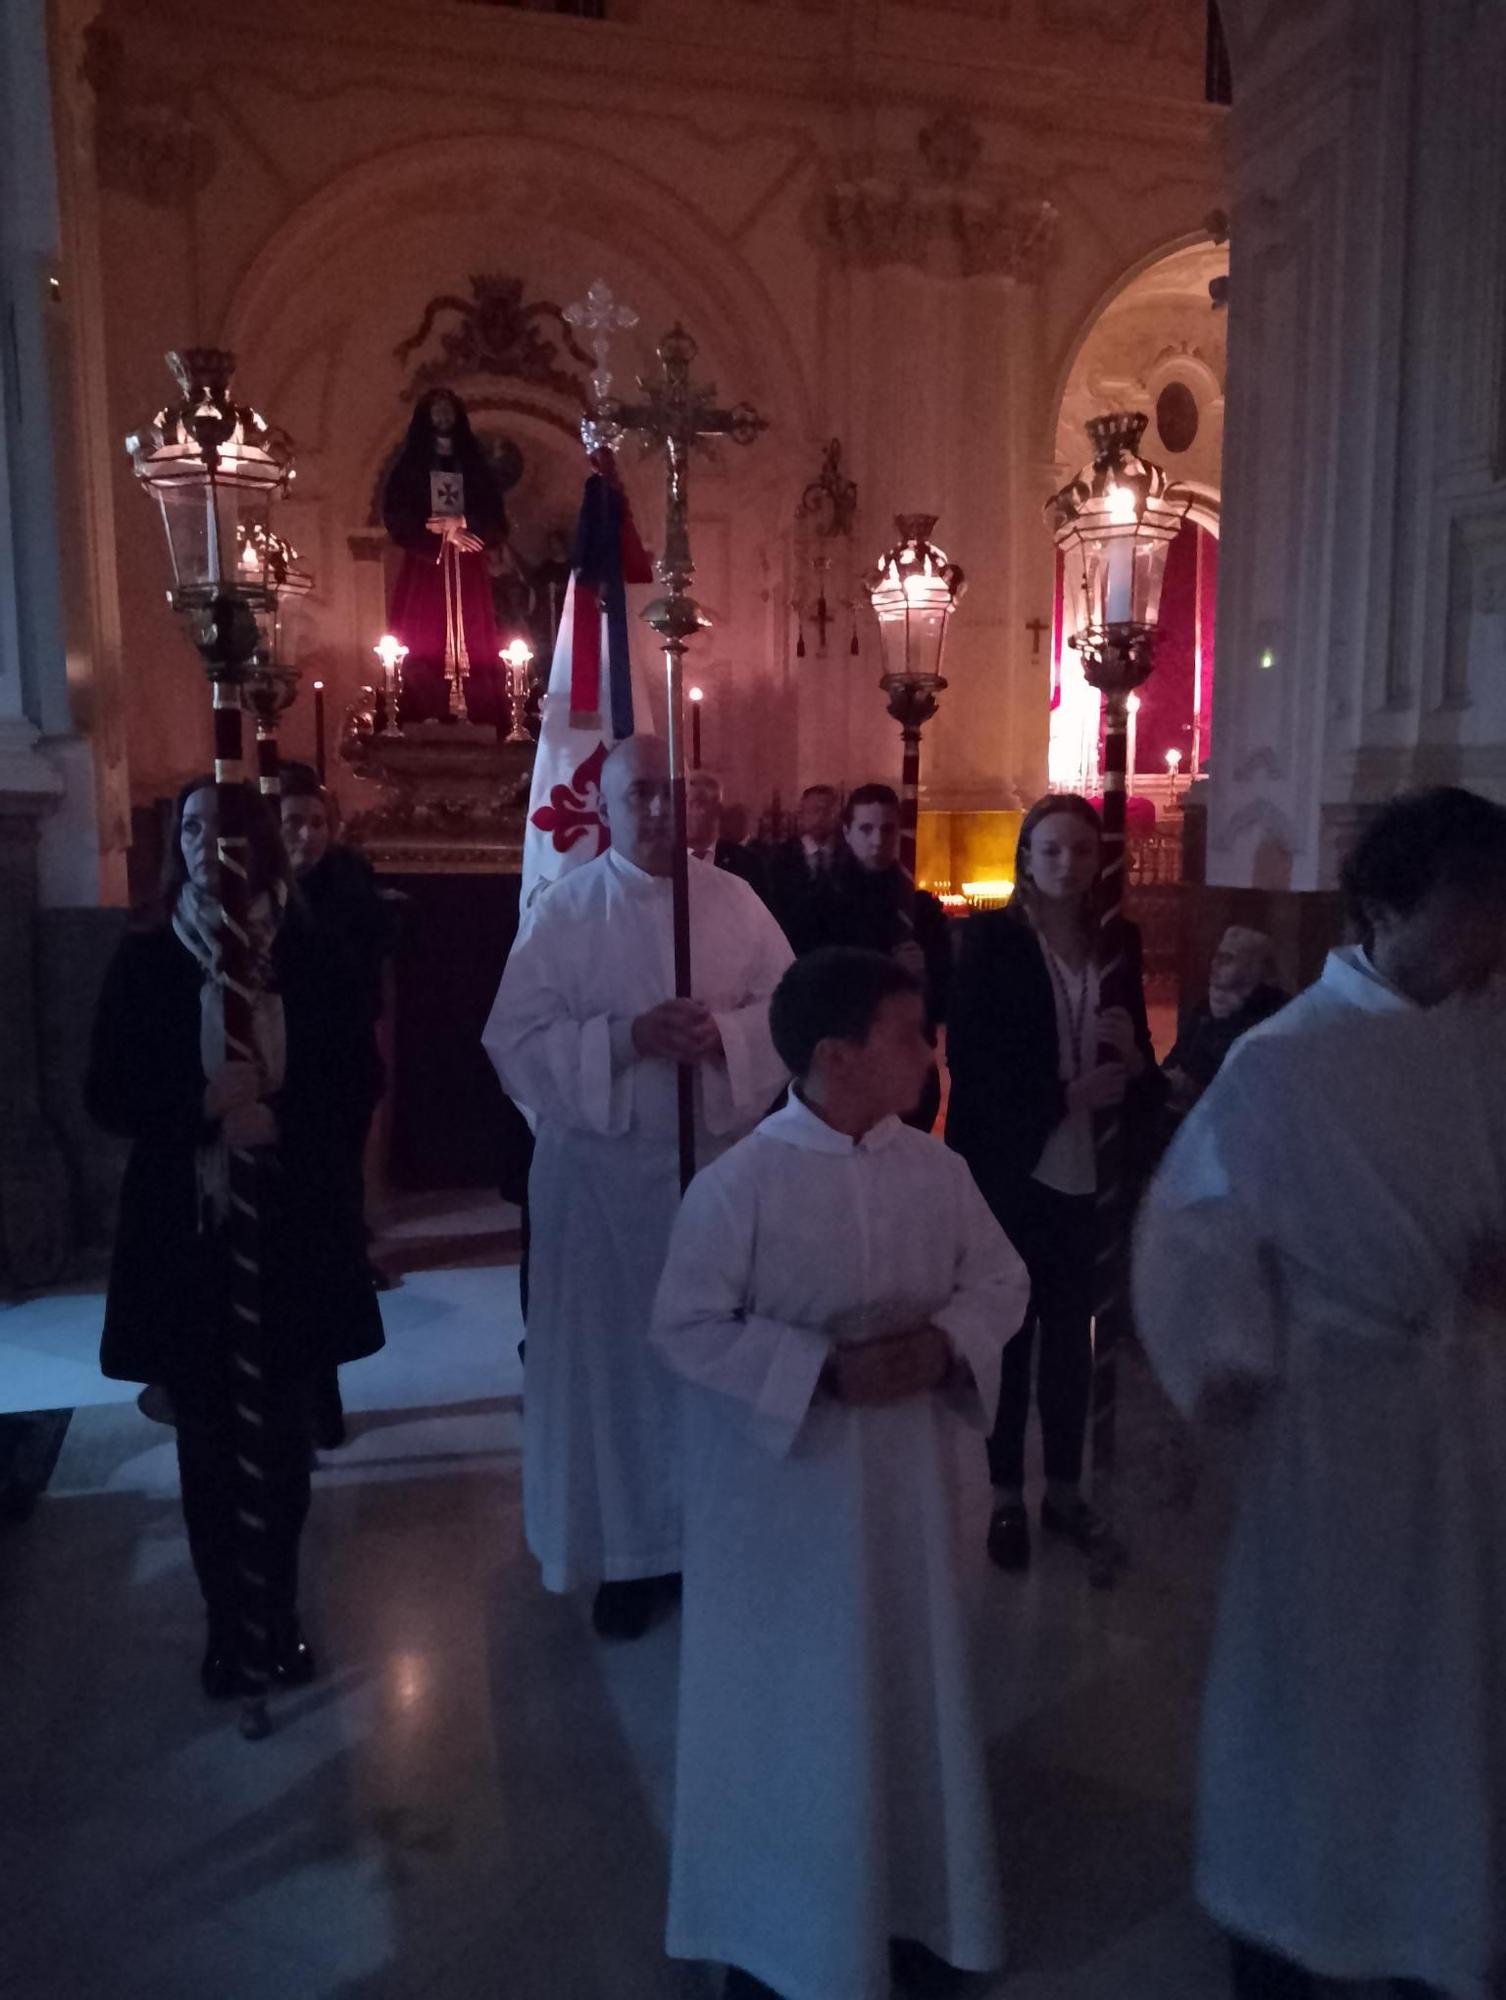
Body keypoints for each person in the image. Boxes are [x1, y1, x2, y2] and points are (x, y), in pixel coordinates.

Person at [651, 948, 1027, 2000]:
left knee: (910, 1691)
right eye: (910, 1033)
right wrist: (818, 1369)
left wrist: (948, 1339)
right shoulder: (741, 1184)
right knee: (799, 1714)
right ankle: (789, 1926)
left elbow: (1002, 1277)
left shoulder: (936, 1170)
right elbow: (682, 1325)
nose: (930, 1051)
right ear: (836, 1052)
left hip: (907, 1497)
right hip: (789, 1514)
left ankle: (916, 1904)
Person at [1134, 995, 1506, 2000]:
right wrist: (1223, 1354)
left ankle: (1434, 1903)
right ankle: (1286, 1902)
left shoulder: (1484, 1035)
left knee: (1451, 1672)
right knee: (1316, 1668)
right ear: (1392, 907)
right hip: (1333, 1417)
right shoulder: (1286, 1054)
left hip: (1467, 1401)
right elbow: (1198, 1223)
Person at [482, 735, 793, 1640]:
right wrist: (625, 1039)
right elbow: (514, 1039)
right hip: (601, 1189)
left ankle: (707, 1539)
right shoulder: (566, 912)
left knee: (709, 1362)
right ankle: (625, 1555)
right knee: (614, 1370)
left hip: (715, 1177)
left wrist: (726, 1038)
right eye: (640, 796)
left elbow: (790, 1010)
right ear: (607, 808)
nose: (659, 811)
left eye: (673, 794)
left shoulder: (736, 903)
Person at [86, 778, 384, 1697]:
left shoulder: (312, 953)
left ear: (262, 845)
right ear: (174, 843)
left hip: (290, 1225)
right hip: (189, 1231)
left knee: (283, 1437)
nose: (209, 846)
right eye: (190, 829)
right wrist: (198, 1109)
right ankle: (228, 1624)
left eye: (227, 830)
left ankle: (279, 1612)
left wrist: (282, 1124)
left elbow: (356, 1077)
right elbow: (106, 1092)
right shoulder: (147, 961)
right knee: (210, 1441)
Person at [945, 793, 1162, 1571]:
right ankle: (1006, 1492)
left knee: (1075, 1336)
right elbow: (973, 1063)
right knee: (1013, 1331)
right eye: (1051, 849)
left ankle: (1064, 1488)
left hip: (1087, 1173)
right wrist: (1063, 1098)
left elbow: (1136, 1063)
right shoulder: (996, 942)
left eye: (1080, 849)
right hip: (1016, 1165)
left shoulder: (1117, 942)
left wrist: (1133, 1065)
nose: (1067, 863)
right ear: (1026, 859)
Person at [280, 765, 396, 1445]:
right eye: (293, 823)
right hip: (269, 1092)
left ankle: (322, 1391)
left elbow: (363, 971)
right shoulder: (250, 887)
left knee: (326, 1233)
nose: (306, 835)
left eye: (317, 822)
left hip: (335, 1084)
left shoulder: (349, 883)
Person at [1244, 786, 1506, 1041]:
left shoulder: (1487, 1026)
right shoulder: (1280, 1052)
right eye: (1464, 914)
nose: (1490, 940)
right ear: (1380, 911)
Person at [822, 782, 952, 1129]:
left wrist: (924, 973)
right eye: (866, 828)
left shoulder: (919, 910)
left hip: (910, 1068)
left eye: (888, 828)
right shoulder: (821, 905)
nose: (878, 840)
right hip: (850, 1063)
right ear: (847, 832)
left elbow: (945, 1000)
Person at [382, 387, 509, 726]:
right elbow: (395, 513)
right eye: (436, 410)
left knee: (473, 630)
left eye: (447, 409)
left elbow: (496, 518)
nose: (442, 416)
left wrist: (463, 522)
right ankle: (424, 708)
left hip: (467, 562)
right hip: (428, 566)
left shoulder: (475, 465)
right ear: (426, 417)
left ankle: (477, 710)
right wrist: (435, 531)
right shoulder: (411, 465)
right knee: (425, 630)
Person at [1160, 925, 1286, 1130]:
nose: (1215, 964)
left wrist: (1195, 1087)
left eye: (1228, 958)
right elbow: (1177, 1056)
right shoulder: (1203, 1010)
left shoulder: (1270, 1017)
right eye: (1216, 956)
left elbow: (1251, 1090)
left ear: (1252, 966)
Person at [766, 783, 844, 951]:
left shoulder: (850, 856)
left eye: (827, 810)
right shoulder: (780, 858)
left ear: (837, 815)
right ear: (801, 814)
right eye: (814, 810)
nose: (821, 817)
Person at [686, 768, 771, 903]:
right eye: (683, 803)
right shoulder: (665, 861)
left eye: (696, 804)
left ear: (718, 809)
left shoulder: (747, 862)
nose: (687, 812)